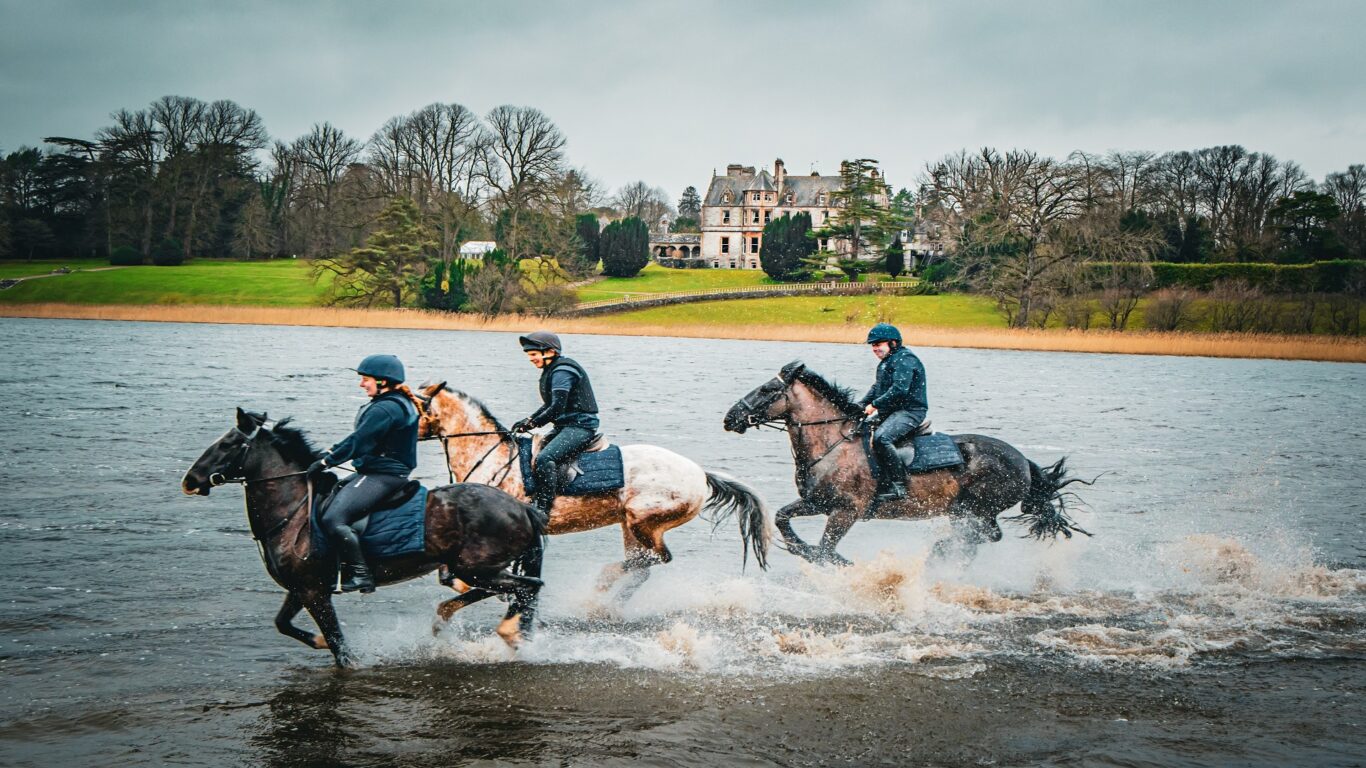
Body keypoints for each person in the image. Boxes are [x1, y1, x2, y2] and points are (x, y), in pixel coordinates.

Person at [307, 354, 421, 593]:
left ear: (382, 381)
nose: (361, 384)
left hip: (383, 476)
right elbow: (357, 441)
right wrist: (326, 455)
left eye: (365, 379)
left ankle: (361, 575)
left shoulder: (387, 408)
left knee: (333, 519)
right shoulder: (391, 402)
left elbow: (359, 441)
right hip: (376, 471)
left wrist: (327, 461)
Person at [511, 331, 599, 515]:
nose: (530, 359)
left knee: (545, 458)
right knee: (532, 454)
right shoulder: (552, 370)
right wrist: (528, 420)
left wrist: (532, 424)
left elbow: (557, 407)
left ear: (550, 352)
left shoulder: (562, 372)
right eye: (529, 355)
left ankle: (543, 507)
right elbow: (549, 404)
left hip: (581, 426)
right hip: (565, 426)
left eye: (534, 354)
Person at [859, 323, 928, 502]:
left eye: (878, 344)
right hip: (892, 410)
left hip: (910, 411)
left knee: (882, 438)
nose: (875, 348)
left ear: (893, 343)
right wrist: (861, 404)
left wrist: (873, 405)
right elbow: (878, 387)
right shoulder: (887, 362)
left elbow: (899, 390)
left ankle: (899, 485)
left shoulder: (905, 359)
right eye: (873, 345)